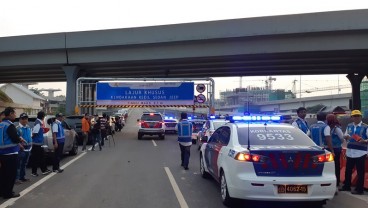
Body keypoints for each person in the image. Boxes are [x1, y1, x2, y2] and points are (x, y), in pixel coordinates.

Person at [339, 110, 368, 195]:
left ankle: (359, 189)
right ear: (352, 117)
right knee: (348, 170)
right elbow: (345, 136)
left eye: (358, 116)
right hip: (350, 152)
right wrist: (346, 137)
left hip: (360, 152)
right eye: (354, 116)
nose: (356, 117)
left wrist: (364, 141)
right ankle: (347, 186)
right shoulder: (349, 126)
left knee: (360, 171)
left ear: (361, 117)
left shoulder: (365, 127)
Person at [0, 107, 26, 199]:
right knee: (11, 175)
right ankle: (8, 193)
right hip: (10, 153)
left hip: (2, 154)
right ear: (10, 114)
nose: (15, 115)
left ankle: (3, 192)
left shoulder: (1, 124)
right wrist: (20, 139)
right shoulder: (10, 125)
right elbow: (14, 138)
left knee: (3, 174)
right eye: (14, 113)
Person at [31, 111, 51, 177]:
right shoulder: (38, 123)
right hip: (36, 143)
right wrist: (32, 140)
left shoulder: (39, 122)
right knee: (36, 158)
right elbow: (34, 133)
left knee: (42, 157)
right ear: (43, 116)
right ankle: (34, 172)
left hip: (39, 143)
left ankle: (44, 170)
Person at [326, 114, 344, 187]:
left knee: (333, 165)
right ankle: (335, 181)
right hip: (333, 149)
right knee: (334, 165)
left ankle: (334, 181)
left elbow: (342, 139)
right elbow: (342, 139)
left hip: (332, 149)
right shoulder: (333, 128)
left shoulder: (333, 128)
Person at [15, 113, 33, 184]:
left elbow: (30, 137)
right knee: (18, 164)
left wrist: (31, 143)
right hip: (21, 149)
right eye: (23, 119)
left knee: (24, 163)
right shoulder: (17, 128)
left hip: (28, 148)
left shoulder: (28, 127)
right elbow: (15, 139)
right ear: (20, 119)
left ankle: (22, 177)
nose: (25, 120)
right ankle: (17, 178)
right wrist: (19, 145)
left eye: (26, 118)